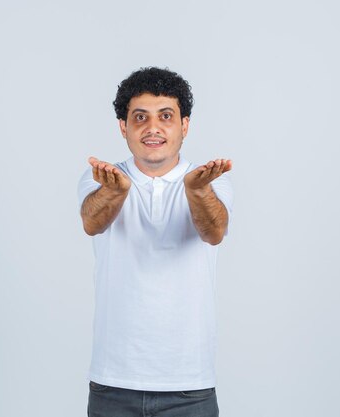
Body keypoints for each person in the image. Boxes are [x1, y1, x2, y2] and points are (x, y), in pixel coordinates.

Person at [77, 67, 233, 417]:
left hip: (189, 385)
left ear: (185, 125)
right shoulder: (101, 177)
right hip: (112, 382)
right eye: (140, 117)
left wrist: (196, 190)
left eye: (166, 116)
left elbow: (214, 232)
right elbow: (92, 222)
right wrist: (116, 192)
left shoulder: (210, 182)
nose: (153, 128)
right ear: (124, 127)